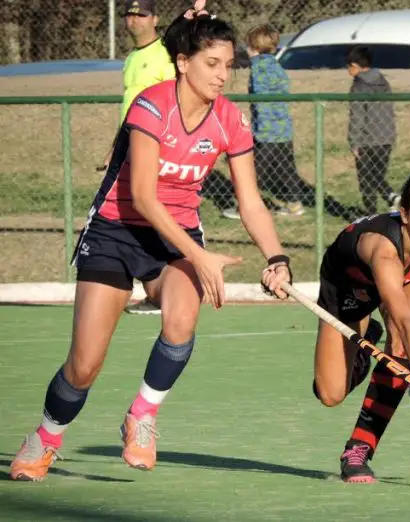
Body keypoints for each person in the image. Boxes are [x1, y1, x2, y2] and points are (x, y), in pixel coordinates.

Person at [9, 5, 292, 482]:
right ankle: (46, 436)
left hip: (174, 237)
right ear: (183, 62)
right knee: (84, 366)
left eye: (228, 65)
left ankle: (142, 414)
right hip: (116, 231)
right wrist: (200, 255)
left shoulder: (230, 120)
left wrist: (277, 258)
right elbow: (142, 194)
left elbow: (251, 202)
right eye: (211, 64)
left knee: (182, 317)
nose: (222, 75)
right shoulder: (151, 105)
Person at [310, 166, 410, 483]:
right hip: (348, 287)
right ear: (405, 215)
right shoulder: (383, 250)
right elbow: (404, 318)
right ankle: (364, 342)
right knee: (330, 394)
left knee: (400, 348)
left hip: (405, 280)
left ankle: (359, 449)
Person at [98, 0, 176, 315]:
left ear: (154, 19)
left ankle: (171, 288)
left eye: (141, 15)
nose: (134, 21)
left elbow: (174, 100)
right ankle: (151, 290)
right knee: (128, 214)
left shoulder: (164, 54)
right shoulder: (132, 58)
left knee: (154, 213)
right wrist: (115, 147)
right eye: (129, 15)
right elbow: (130, 106)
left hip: (154, 145)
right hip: (128, 143)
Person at [225, 23, 305, 218]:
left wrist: (258, 131)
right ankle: (294, 204)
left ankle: (244, 207)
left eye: (248, 46)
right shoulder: (276, 65)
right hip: (283, 130)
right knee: (286, 168)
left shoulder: (259, 67)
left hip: (266, 133)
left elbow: (261, 101)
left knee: (252, 171)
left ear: (254, 48)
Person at [346, 45, 400, 215]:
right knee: (377, 175)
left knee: (366, 180)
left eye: (348, 66)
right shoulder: (383, 82)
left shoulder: (359, 86)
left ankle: (373, 213)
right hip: (386, 138)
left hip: (367, 140)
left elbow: (357, 116)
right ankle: (390, 198)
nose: (347, 70)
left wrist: (354, 142)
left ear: (355, 66)